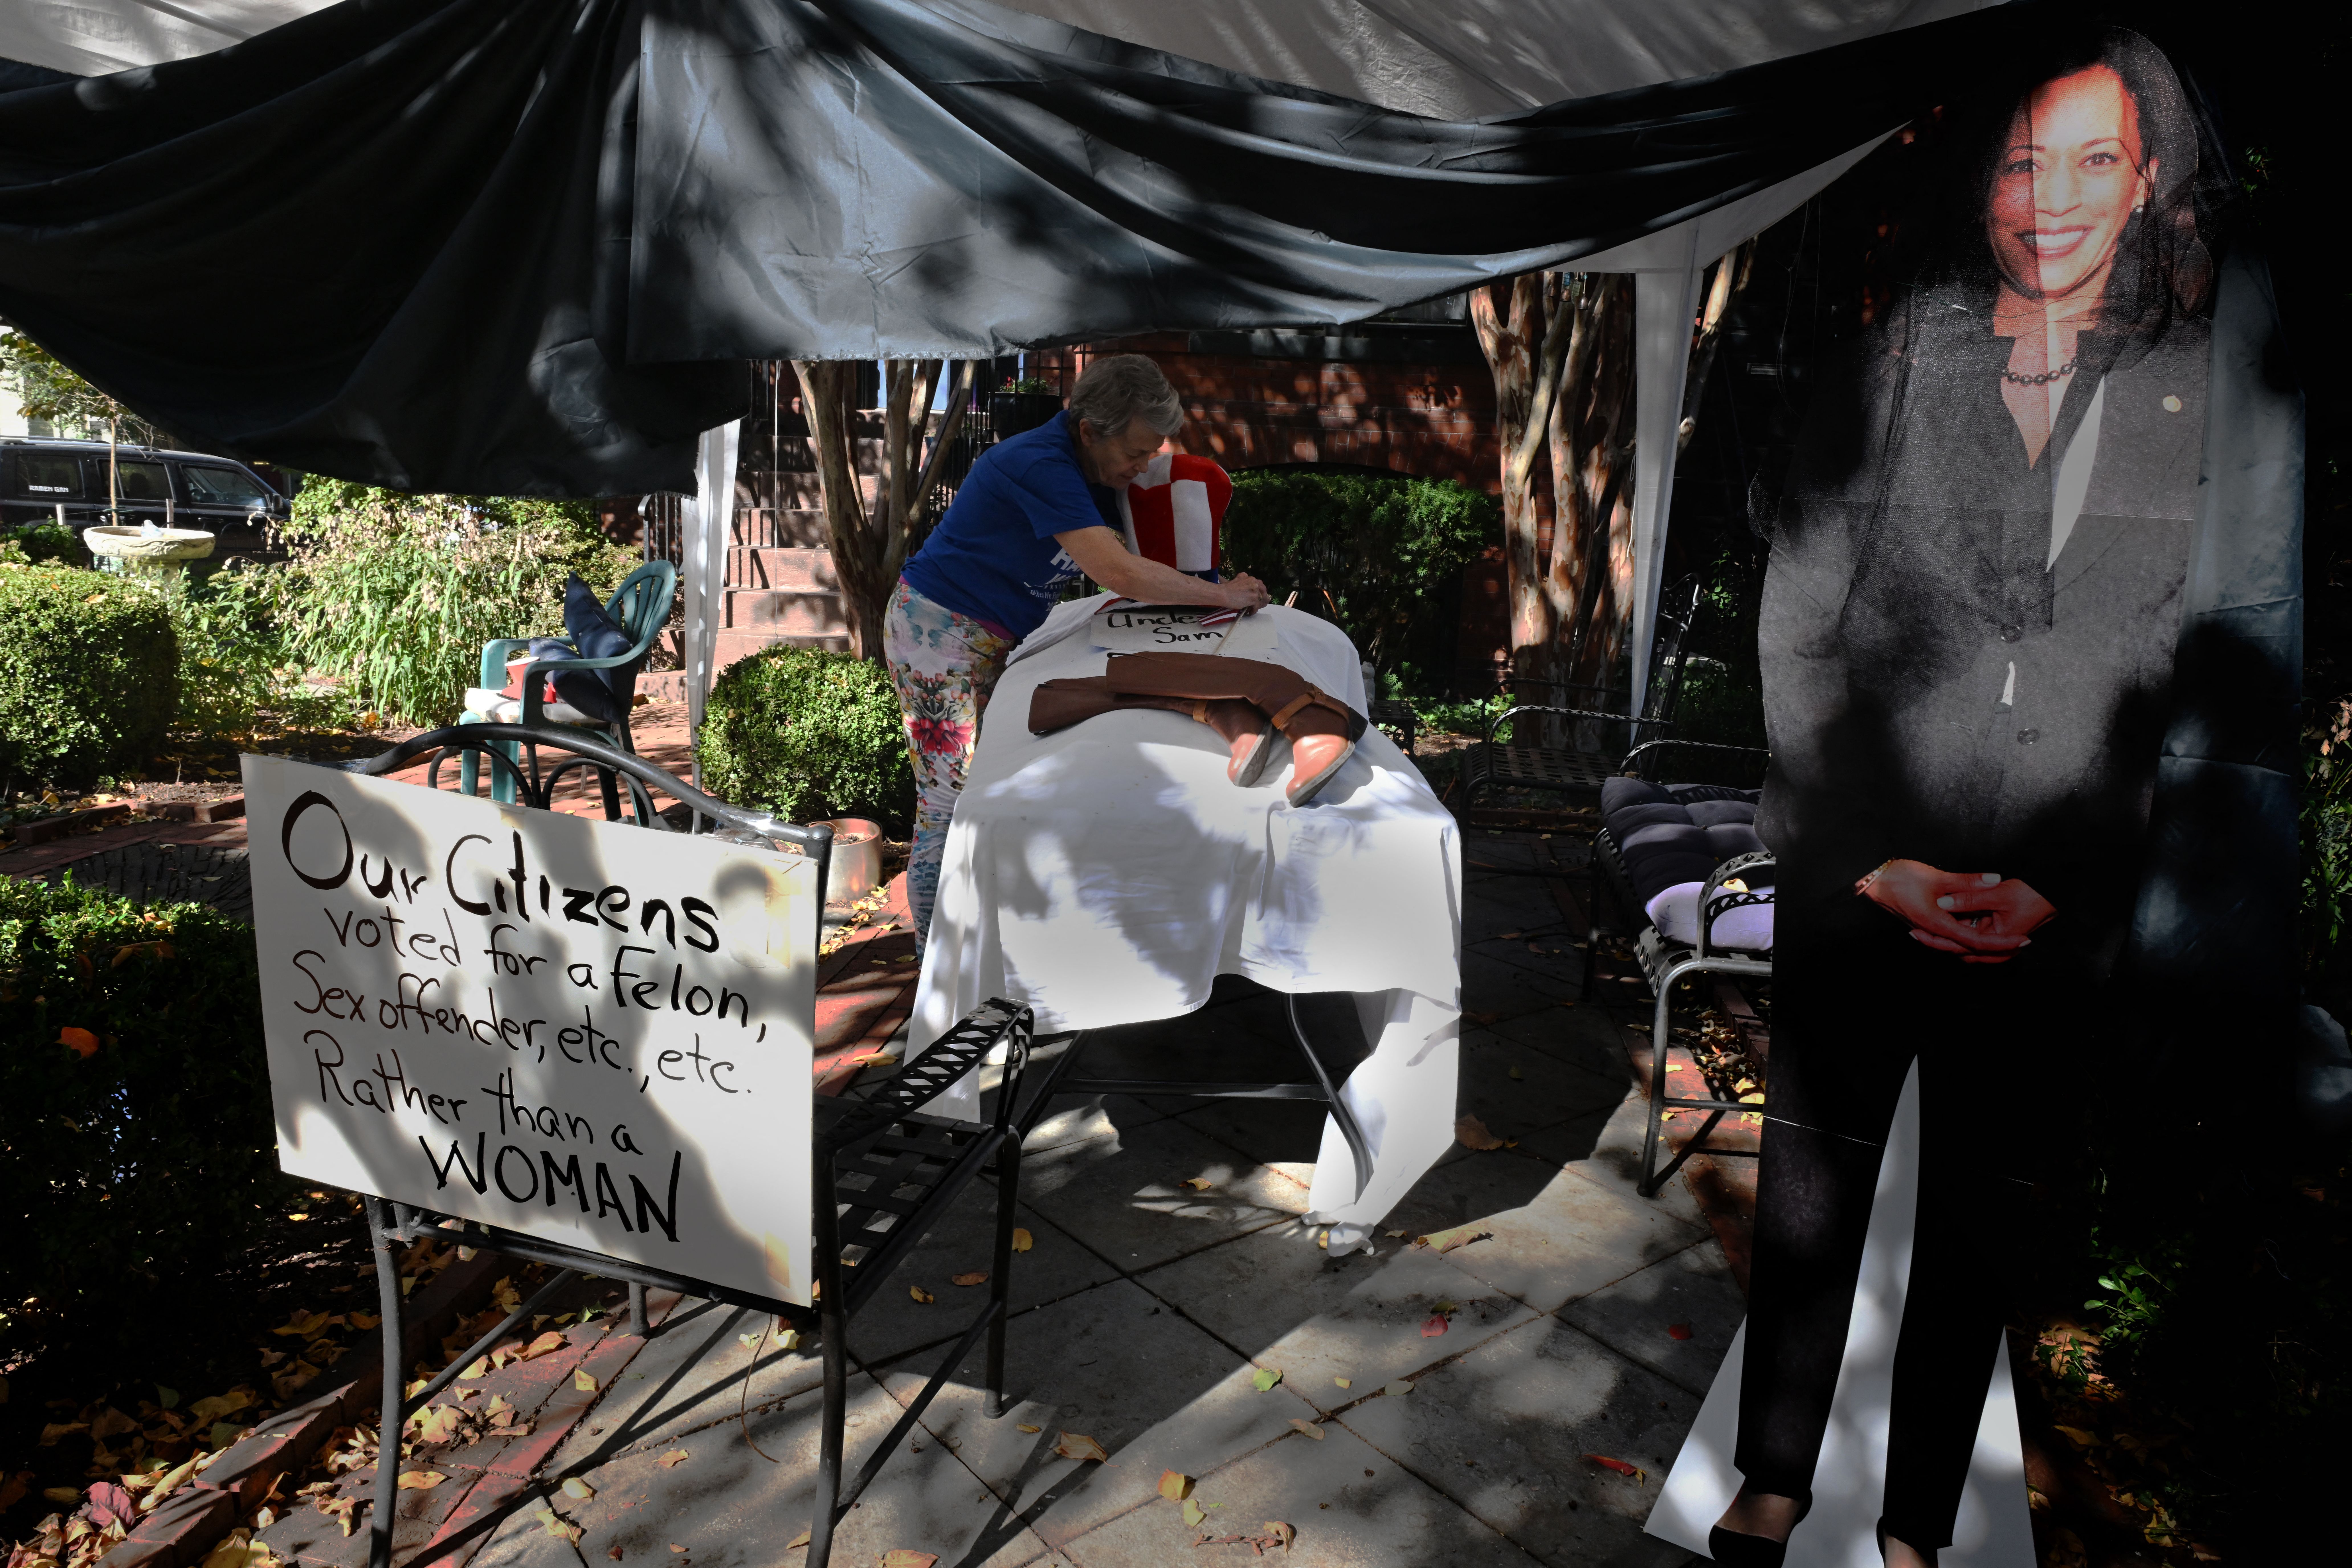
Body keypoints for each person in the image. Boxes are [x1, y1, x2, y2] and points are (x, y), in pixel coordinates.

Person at [1708, 30, 2215, 1568]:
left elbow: (2184, 666)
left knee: (1980, 1224)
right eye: (2020, 157)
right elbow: (1796, 625)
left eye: (2091, 161)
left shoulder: (2193, 404)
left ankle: (1917, 1522)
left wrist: (2084, 875)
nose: (2049, 198)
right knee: (1812, 1186)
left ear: (2149, 182)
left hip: (2049, 890)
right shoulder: (1903, 354)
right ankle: (1777, 1477)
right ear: (1980, 178)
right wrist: (1863, 860)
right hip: (1869, 868)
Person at [887, 354, 1269, 952]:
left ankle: (989, 939)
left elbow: (1161, 520)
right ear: (1089, 431)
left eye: (1152, 452)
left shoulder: (1096, 462)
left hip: (993, 634)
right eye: (1135, 454)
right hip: (939, 631)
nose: (1144, 467)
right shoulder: (1039, 463)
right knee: (951, 801)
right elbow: (1117, 570)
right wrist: (1220, 595)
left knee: (993, 786)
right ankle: (935, 968)